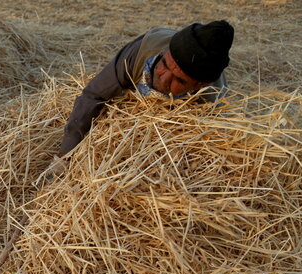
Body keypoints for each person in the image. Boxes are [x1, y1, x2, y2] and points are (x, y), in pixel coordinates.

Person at [39, 20, 234, 182]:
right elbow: (93, 96)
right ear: (166, 52)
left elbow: (210, 151)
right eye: (165, 64)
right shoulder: (144, 50)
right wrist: (64, 156)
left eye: (179, 80)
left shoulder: (210, 100)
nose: (164, 78)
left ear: (199, 85)